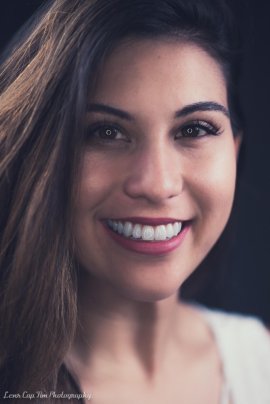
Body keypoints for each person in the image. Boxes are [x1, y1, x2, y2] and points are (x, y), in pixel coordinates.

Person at [0, 0, 269, 403]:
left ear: (234, 148)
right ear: (43, 156)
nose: (157, 184)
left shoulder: (258, 359)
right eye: (106, 132)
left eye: (194, 129)